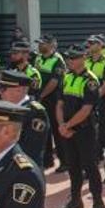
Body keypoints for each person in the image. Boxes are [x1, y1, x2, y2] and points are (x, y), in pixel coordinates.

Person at [55, 44, 105, 208]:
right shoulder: (66, 77)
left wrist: (67, 126)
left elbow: (86, 110)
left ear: (83, 58)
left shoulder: (90, 80)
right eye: (68, 57)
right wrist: (61, 125)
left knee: (90, 167)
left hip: (85, 130)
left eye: (74, 58)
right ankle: (75, 199)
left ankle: (98, 203)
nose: (70, 61)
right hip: (67, 130)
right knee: (73, 166)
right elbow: (59, 104)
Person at [84, 34, 105, 183]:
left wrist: (93, 98)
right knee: (91, 137)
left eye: (93, 43)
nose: (89, 45)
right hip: (89, 102)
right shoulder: (86, 61)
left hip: (103, 101)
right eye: (89, 43)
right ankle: (92, 168)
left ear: (101, 45)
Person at [0, 70, 50, 168]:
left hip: (25, 168)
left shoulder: (35, 113)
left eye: (3, 89)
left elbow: (31, 148)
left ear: (20, 90)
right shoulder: (7, 108)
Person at [34, 34, 67, 171]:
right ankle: (47, 160)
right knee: (43, 129)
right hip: (41, 99)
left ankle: (64, 161)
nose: (40, 46)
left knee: (56, 130)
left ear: (52, 45)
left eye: (43, 43)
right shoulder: (38, 58)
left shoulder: (58, 60)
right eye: (39, 43)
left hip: (53, 99)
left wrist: (41, 95)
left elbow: (54, 82)